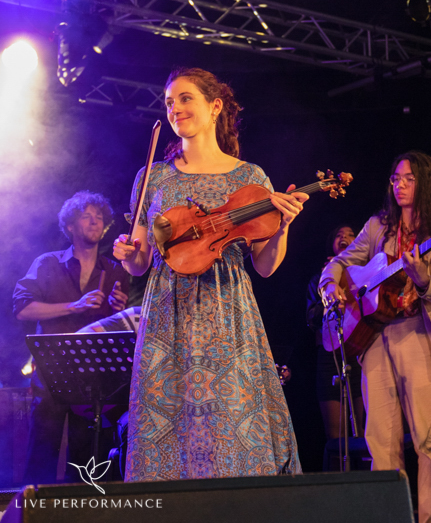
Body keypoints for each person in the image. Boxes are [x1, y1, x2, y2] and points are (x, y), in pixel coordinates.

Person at [112, 67, 307, 481]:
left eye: (185, 99)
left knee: (230, 429)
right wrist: (126, 254)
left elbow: (265, 266)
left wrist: (283, 226)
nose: (175, 109)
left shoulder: (250, 177)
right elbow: (139, 262)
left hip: (228, 314)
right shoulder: (153, 177)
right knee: (167, 428)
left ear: (215, 106)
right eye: (169, 102)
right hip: (167, 315)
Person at [319, 151, 431, 523]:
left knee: (428, 439)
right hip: (375, 338)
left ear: (426, 182)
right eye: (396, 178)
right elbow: (340, 262)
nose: (399, 185)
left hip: (419, 334)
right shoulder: (378, 227)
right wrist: (330, 286)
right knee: (380, 440)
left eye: (408, 179)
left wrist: (422, 278)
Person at [13, 190, 130, 484]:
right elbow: (22, 309)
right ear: (70, 225)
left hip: (93, 376)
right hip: (51, 371)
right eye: (86, 216)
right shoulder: (47, 263)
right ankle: (34, 505)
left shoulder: (116, 270)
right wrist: (74, 306)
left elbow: (119, 324)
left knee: (85, 462)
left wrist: (119, 309)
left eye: (99, 217)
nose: (94, 221)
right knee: (42, 452)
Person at [306, 224, 365, 440]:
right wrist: (328, 301)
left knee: (364, 431)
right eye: (339, 235)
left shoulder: (363, 274)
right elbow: (311, 318)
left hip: (359, 351)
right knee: (335, 437)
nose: (344, 237)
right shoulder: (319, 279)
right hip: (329, 355)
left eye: (350, 235)